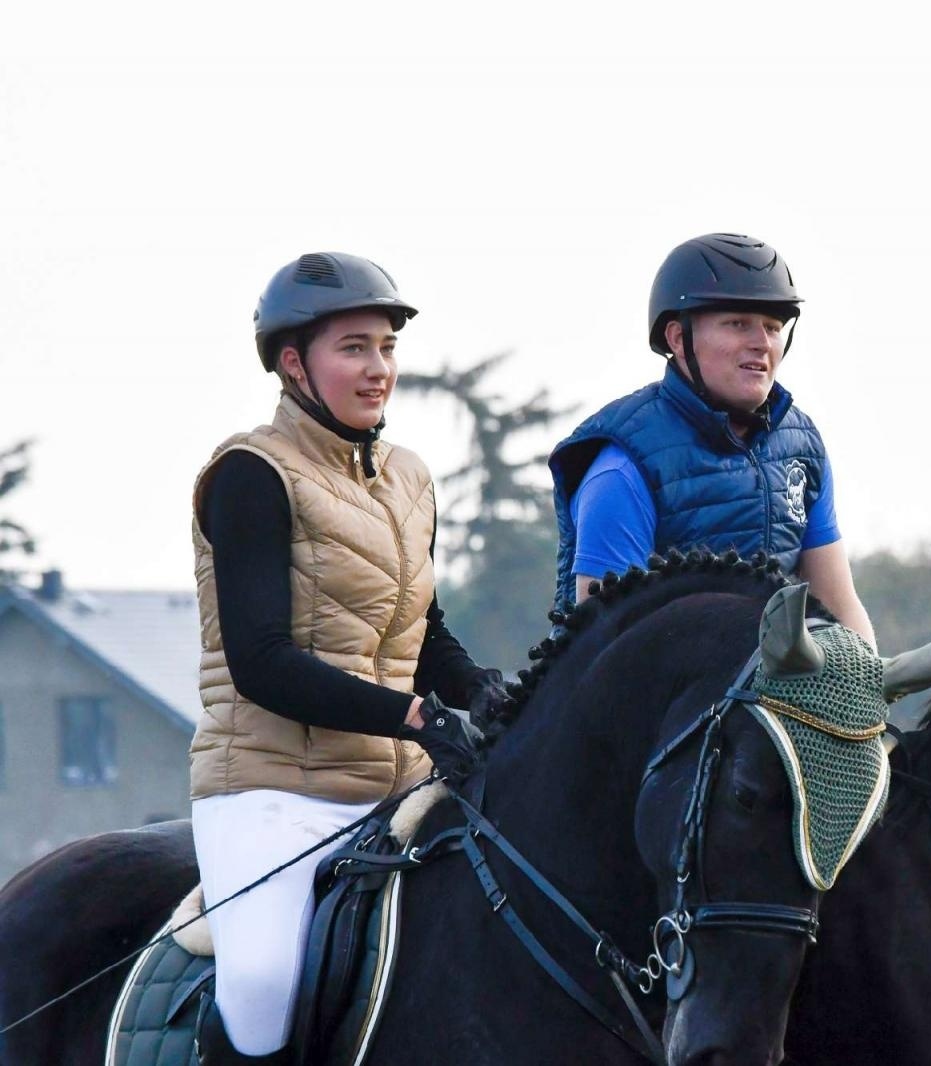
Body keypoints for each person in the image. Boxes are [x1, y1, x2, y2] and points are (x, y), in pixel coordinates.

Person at [188, 252, 507, 1065]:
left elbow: (423, 632)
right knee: (260, 989)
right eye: (354, 349)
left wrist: (480, 689)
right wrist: (414, 716)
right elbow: (260, 661)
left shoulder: (408, 478)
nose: (378, 370)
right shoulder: (248, 475)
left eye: (387, 349)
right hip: (269, 795)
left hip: (398, 791)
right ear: (294, 363)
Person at [549, 232, 875, 645]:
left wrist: (870, 689)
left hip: (772, 688)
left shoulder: (802, 445)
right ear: (678, 339)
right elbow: (609, 644)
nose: (761, 344)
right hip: (652, 693)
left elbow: (840, 605)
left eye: (773, 328)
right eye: (738, 324)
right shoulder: (621, 467)